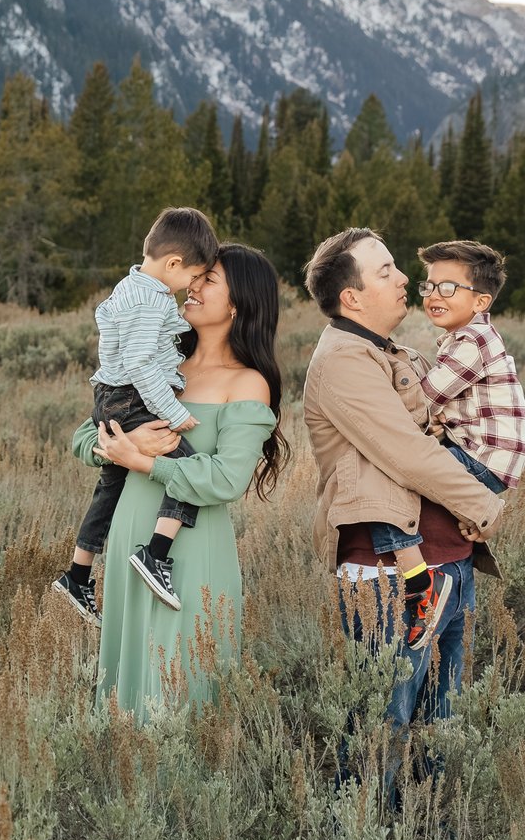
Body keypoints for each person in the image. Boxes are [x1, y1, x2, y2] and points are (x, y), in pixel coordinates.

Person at [300, 228, 500, 739]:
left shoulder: (391, 351)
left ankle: (428, 821)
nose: (404, 279)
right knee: (380, 728)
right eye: (385, 270)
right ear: (351, 297)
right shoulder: (344, 359)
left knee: (441, 725)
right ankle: (367, 819)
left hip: (446, 559)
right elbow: (406, 451)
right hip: (389, 578)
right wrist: (483, 503)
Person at [73, 243, 285, 714]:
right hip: (130, 540)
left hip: (189, 553)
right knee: (123, 694)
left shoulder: (247, 383)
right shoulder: (158, 360)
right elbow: (83, 435)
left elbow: (227, 480)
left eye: (209, 280)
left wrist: (145, 462)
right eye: (195, 276)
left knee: (174, 690)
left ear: (238, 303)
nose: (191, 286)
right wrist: (115, 447)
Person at [54, 207, 222, 624]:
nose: (190, 288)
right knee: (184, 465)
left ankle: (78, 573)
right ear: (173, 264)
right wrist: (171, 411)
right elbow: (141, 362)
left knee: (109, 485)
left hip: (109, 397)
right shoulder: (150, 299)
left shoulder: (130, 288)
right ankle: (156, 554)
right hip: (132, 398)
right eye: (191, 278)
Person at [414, 239, 525, 499]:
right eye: (430, 286)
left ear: (480, 302)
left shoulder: (473, 341)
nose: (434, 295)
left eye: (447, 288)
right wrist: (437, 423)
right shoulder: (468, 338)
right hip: (477, 454)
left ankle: (396, 541)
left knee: (397, 469)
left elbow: (422, 399)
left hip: (482, 459)